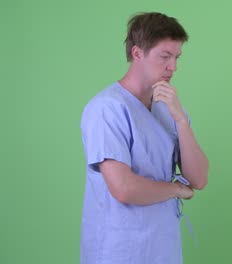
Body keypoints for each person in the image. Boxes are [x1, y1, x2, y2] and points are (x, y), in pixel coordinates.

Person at [80, 12, 208, 264]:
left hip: (162, 245)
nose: (173, 66)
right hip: (120, 248)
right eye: (165, 56)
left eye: (176, 57)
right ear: (137, 53)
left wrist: (181, 120)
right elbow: (124, 188)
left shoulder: (167, 107)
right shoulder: (107, 108)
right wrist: (177, 190)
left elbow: (199, 178)